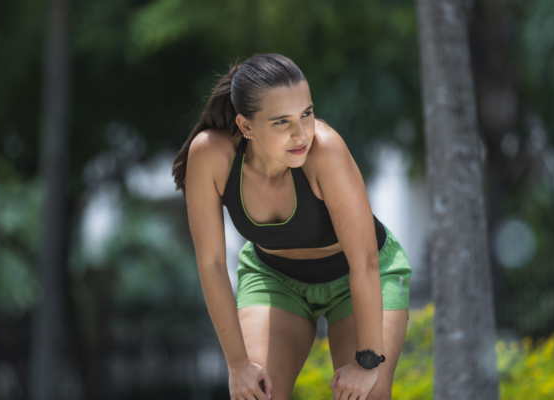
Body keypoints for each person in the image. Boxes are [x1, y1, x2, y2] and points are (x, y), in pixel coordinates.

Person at [172, 53, 412, 400]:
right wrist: (238, 364)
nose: (301, 134)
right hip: (275, 278)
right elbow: (210, 263)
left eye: (307, 114)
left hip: (359, 275)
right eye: (282, 122)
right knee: (257, 395)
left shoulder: (325, 151)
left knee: (367, 395)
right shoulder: (210, 155)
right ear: (246, 126)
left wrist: (367, 361)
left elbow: (365, 262)